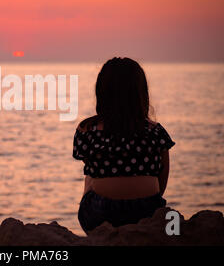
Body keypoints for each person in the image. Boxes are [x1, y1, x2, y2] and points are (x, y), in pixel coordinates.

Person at [73, 57, 175, 234]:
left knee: (90, 177)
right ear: (140, 93)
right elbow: (161, 181)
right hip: (147, 210)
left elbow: (93, 170)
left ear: (101, 93)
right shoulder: (156, 131)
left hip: (101, 214)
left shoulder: (87, 129)